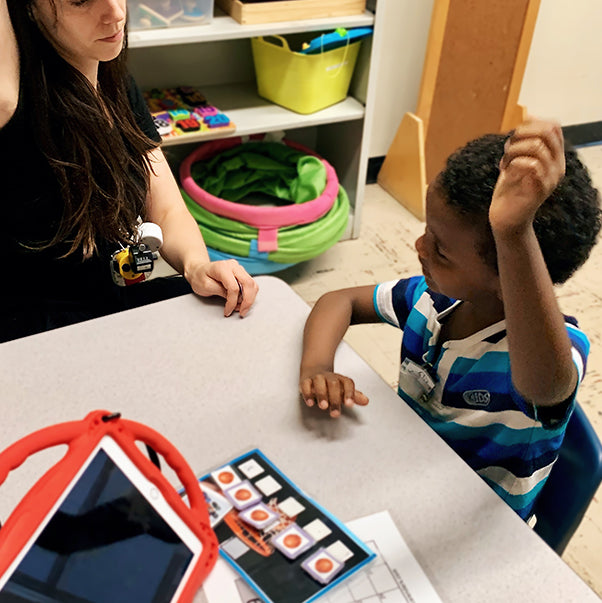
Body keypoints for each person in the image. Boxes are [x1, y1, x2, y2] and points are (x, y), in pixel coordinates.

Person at [299, 118, 601, 519]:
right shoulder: (429, 298)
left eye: (441, 251)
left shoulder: (555, 350)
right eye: (428, 232)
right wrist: (318, 365)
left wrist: (513, 233)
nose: (419, 245)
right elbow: (341, 301)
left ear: (506, 275)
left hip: (470, 527)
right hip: (402, 479)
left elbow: (548, 387)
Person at [0, 0, 258, 343]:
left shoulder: (114, 82)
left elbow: (166, 209)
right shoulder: (13, 107)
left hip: (111, 300)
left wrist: (197, 266)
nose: (116, 13)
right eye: (80, 1)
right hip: (33, 331)